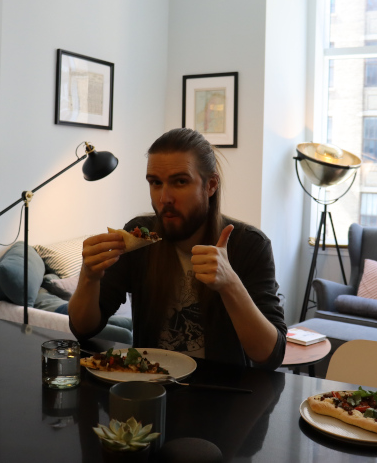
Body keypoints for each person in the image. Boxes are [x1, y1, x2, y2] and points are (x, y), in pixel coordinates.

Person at [68, 128, 286, 369]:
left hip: (223, 397)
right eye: (155, 183)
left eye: (180, 182)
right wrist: (89, 276)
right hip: (150, 391)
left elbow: (269, 355)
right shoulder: (138, 236)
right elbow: (83, 328)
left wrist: (230, 284)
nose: (164, 198)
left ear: (211, 185)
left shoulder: (249, 245)